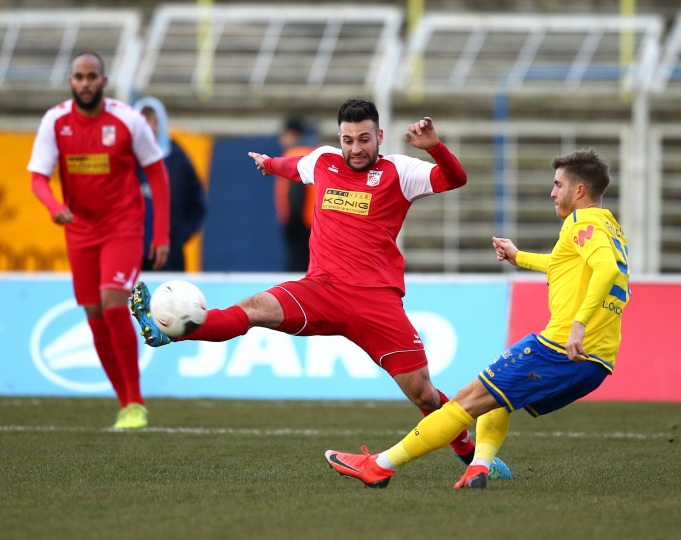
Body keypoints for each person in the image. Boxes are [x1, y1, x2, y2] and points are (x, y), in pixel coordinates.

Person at [130, 98, 510, 478]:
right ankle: (173, 332)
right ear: (339, 138)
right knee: (254, 308)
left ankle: (469, 453)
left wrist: (435, 149)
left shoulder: (401, 170)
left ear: (379, 136)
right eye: (348, 140)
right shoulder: (323, 160)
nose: (355, 149)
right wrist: (269, 165)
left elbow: (455, 179)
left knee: (423, 393)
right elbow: (292, 167)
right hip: (319, 290)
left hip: (375, 301)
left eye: (364, 139)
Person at [323, 148, 631, 489]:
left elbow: (604, 270)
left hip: (561, 347)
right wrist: (519, 257)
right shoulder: (610, 227)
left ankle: (379, 466)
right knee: (498, 396)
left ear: (580, 191)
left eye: (558, 185)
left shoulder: (581, 221)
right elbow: (567, 265)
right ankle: (481, 467)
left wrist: (578, 324)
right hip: (596, 362)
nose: (552, 192)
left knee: (463, 403)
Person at [28, 51, 170, 429]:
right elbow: (37, 177)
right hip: (80, 231)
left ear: (103, 81)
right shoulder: (55, 121)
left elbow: (157, 173)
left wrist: (161, 235)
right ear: (71, 82)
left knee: (112, 305)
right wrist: (53, 205)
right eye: (79, 77)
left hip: (123, 226)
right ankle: (125, 404)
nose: (86, 83)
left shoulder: (127, 120)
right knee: (93, 318)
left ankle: (137, 402)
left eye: (93, 76)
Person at [133, 96, 207, 272]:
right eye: (143, 121)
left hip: (169, 256)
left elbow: (196, 203)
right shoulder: (125, 159)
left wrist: (178, 236)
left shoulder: (177, 159)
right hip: (131, 253)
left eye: (153, 121)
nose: (149, 127)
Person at [274, 117, 316, 272]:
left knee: (297, 268)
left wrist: (292, 222)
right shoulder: (311, 153)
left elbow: (297, 191)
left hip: (301, 223)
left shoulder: (295, 154)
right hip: (314, 222)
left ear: (292, 134)